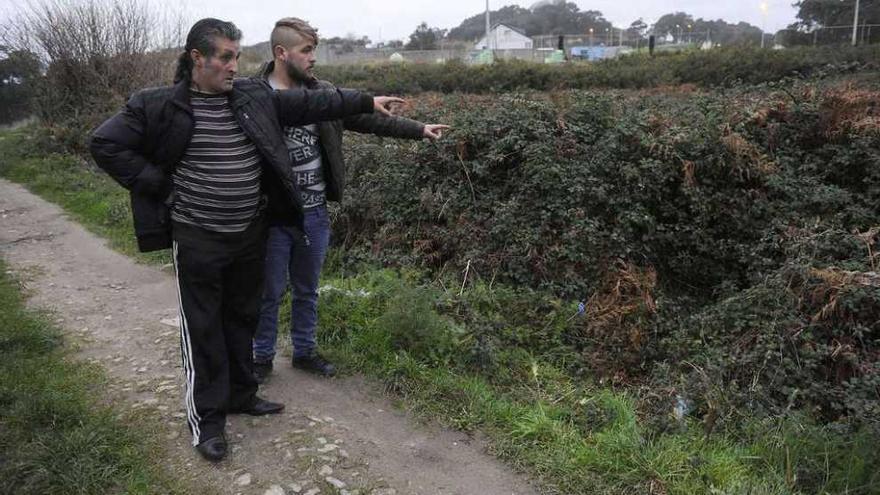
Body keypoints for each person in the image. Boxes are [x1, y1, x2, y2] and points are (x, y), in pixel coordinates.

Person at [89, 18, 402, 462]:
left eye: (236, 56)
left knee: (242, 319)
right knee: (204, 330)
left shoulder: (253, 98)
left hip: (249, 234)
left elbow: (315, 103)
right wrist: (156, 183)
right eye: (224, 57)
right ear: (197, 58)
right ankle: (208, 422)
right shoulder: (156, 106)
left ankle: (242, 394)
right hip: (198, 237)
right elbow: (104, 144)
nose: (234, 65)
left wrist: (367, 99)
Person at [251, 17, 448, 382]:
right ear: (282, 53)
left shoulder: (323, 93)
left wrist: (419, 129)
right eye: (306, 50)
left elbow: (370, 120)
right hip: (271, 215)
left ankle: (304, 351)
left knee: (307, 288)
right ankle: (260, 357)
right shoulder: (255, 96)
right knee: (269, 290)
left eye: (314, 49)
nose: (313, 58)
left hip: (314, 211)